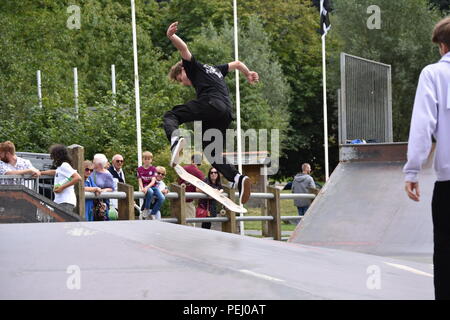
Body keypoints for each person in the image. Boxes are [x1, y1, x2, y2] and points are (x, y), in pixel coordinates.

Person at [164, 21, 258, 205]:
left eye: (180, 78)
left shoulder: (192, 66)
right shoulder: (215, 69)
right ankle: (238, 179)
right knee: (212, 152)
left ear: (183, 69)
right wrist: (248, 74)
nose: (183, 83)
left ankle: (175, 140)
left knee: (171, 115)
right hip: (225, 113)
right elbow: (237, 63)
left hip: (210, 104)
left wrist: (171, 36)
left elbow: (183, 48)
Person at [403, 16, 450, 300]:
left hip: (448, 182)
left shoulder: (434, 74)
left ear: (442, 46)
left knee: (445, 254)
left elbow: (422, 126)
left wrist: (412, 171)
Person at [40, 144, 82, 213]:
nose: (52, 157)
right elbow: (55, 172)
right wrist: (40, 173)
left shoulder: (64, 165)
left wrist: (61, 187)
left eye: (53, 155)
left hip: (65, 201)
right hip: (61, 201)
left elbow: (77, 177)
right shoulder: (61, 167)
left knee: (62, 222)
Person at [178, 154, 205, 227]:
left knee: (180, 222)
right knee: (190, 223)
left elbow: (178, 182)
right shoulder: (199, 173)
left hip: (178, 199)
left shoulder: (183, 169)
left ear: (192, 160)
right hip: (188, 201)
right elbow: (204, 186)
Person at [137, 151, 165, 220]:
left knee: (162, 198)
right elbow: (140, 180)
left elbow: (153, 181)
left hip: (152, 186)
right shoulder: (139, 169)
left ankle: (153, 213)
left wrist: (147, 187)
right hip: (145, 187)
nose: (147, 160)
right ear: (143, 159)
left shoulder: (153, 169)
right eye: (145, 159)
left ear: (151, 160)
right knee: (150, 192)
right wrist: (142, 188)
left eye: (149, 159)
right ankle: (146, 208)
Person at [90, 153, 115, 218]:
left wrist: (102, 190)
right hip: (91, 202)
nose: (92, 163)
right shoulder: (91, 172)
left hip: (102, 203)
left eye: (94, 162)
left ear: (99, 164)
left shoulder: (107, 174)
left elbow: (112, 188)